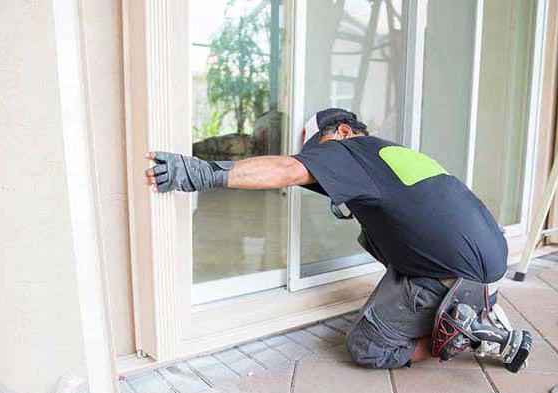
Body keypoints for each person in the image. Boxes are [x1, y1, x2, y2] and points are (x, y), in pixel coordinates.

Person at [144, 108, 508, 369]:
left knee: (367, 346)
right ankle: (471, 306)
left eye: (318, 147)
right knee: (378, 237)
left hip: (450, 274)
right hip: (487, 266)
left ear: (344, 133)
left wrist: (199, 173)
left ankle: (464, 334)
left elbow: (288, 169)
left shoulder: (348, 151)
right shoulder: (388, 156)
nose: (316, 159)